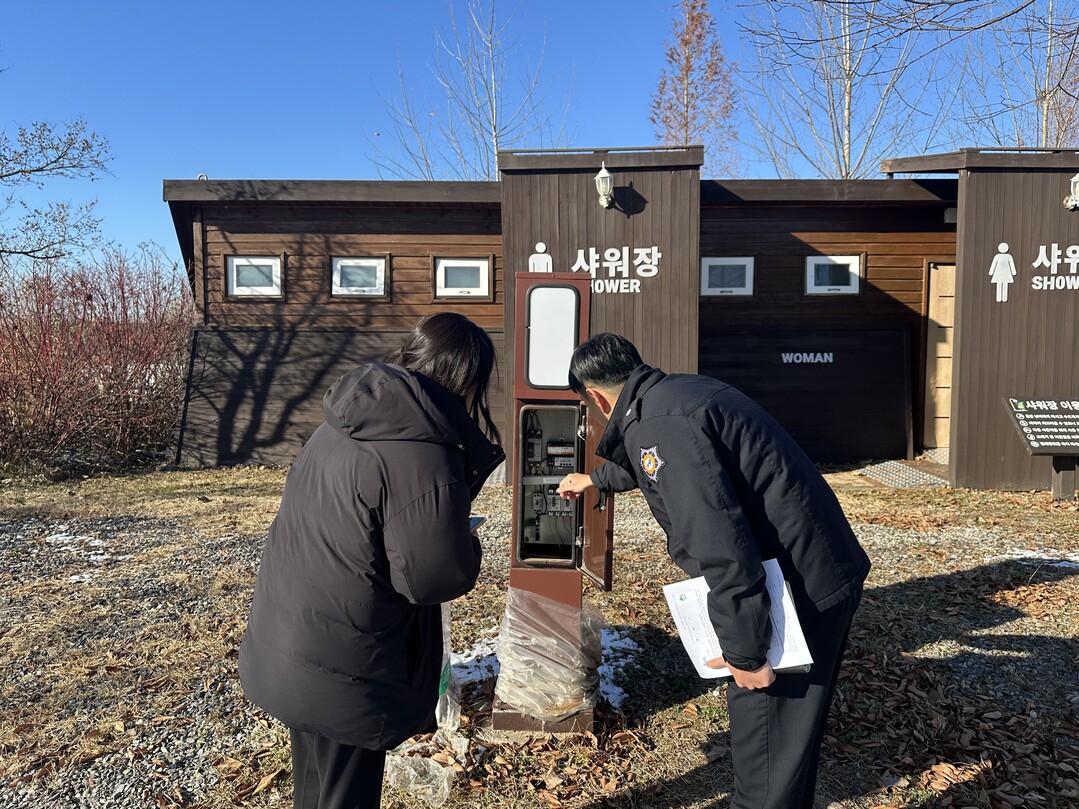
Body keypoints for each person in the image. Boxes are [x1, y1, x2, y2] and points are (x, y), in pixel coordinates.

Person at [556, 333, 870, 809]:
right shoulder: (675, 396)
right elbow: (659, 466)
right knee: (788, 743)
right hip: (818, 565)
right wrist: (597, 478)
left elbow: (721, 547)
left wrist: (746, 653)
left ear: (595, 396)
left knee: (767, 742)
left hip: (793, 587)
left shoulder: (661, 426)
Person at [239, 312, 505, 809]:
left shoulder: (345, 419)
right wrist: (467, 543)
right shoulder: (424, 449)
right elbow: (432, 576)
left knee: (318, 788)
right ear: (469, 380)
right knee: (345, 797)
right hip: (349, 661)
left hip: (291, 635)